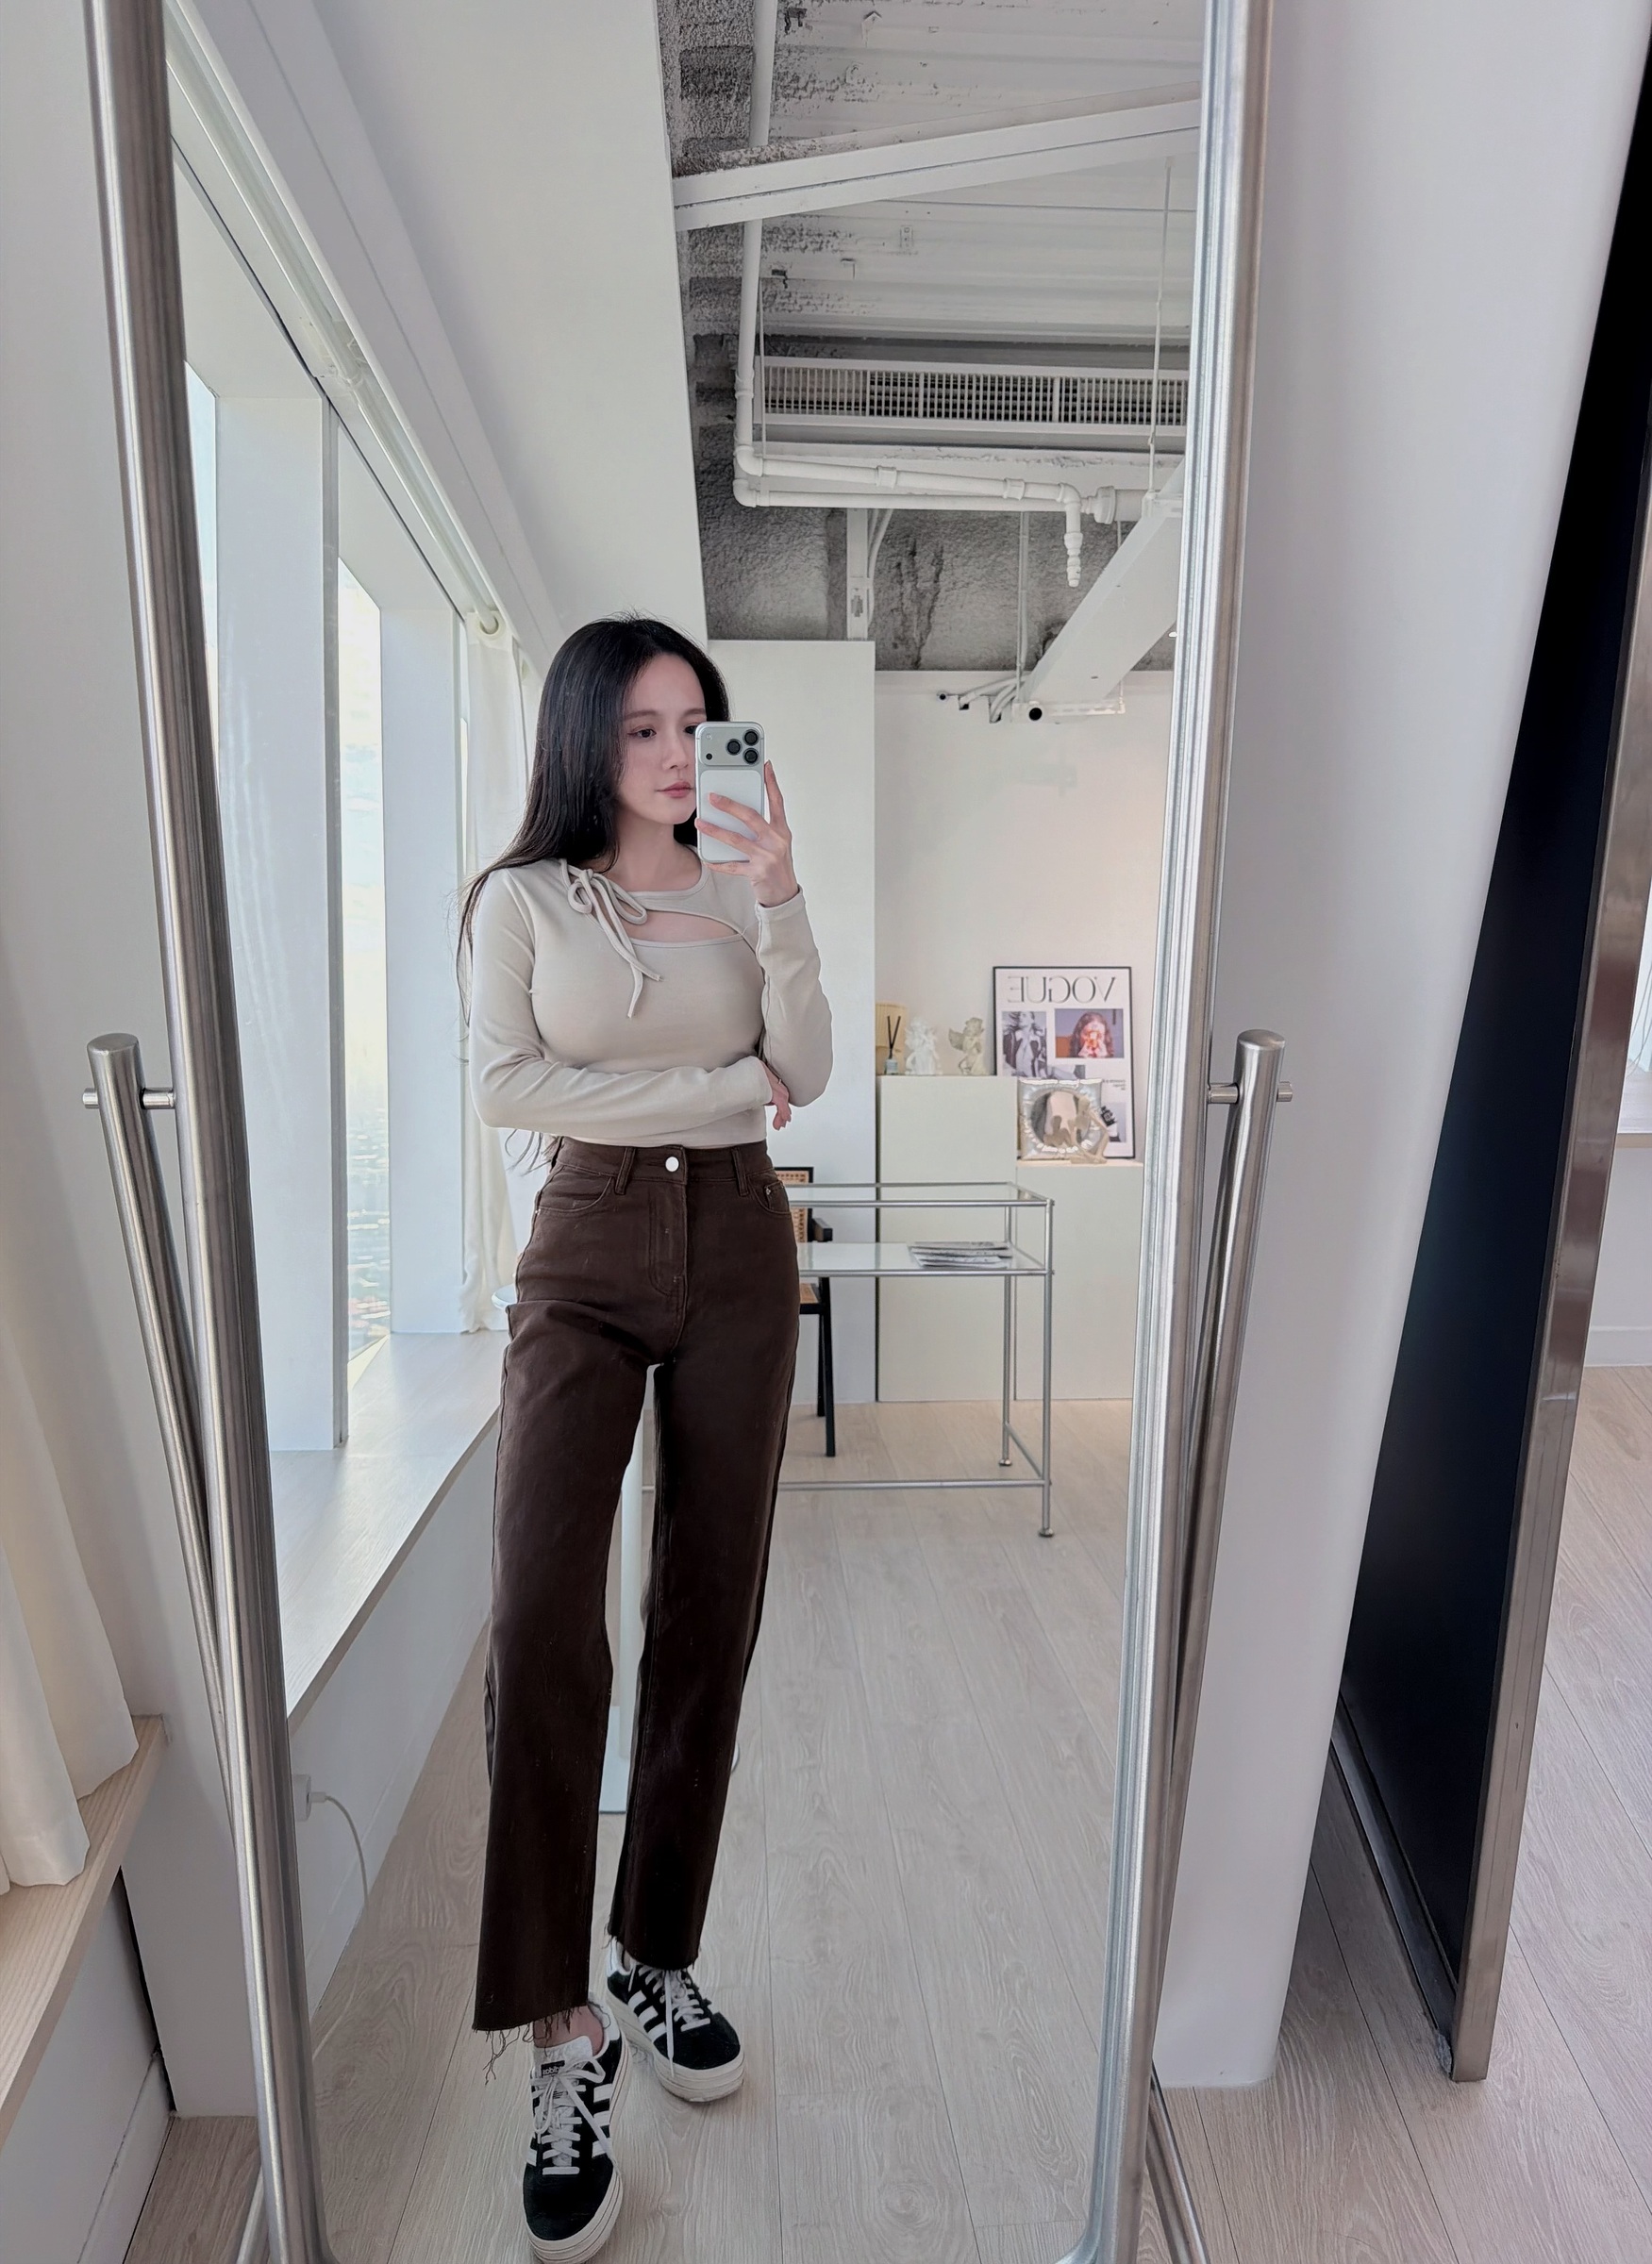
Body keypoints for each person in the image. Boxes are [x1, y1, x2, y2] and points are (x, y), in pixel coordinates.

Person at [461, 616, 831, 2260]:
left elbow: (805, 1066)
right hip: (587, 1248)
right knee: (541, 1615)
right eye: (642, 729)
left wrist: (786, 898)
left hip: (744, 1245)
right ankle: (562, 2031)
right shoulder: (524, 903)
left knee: (708, 1610)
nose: (680, 755)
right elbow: (507, 1086)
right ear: (583, 743)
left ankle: (654, 1952)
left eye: (698, 724)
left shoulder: (749, 890)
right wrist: (720, 1089)